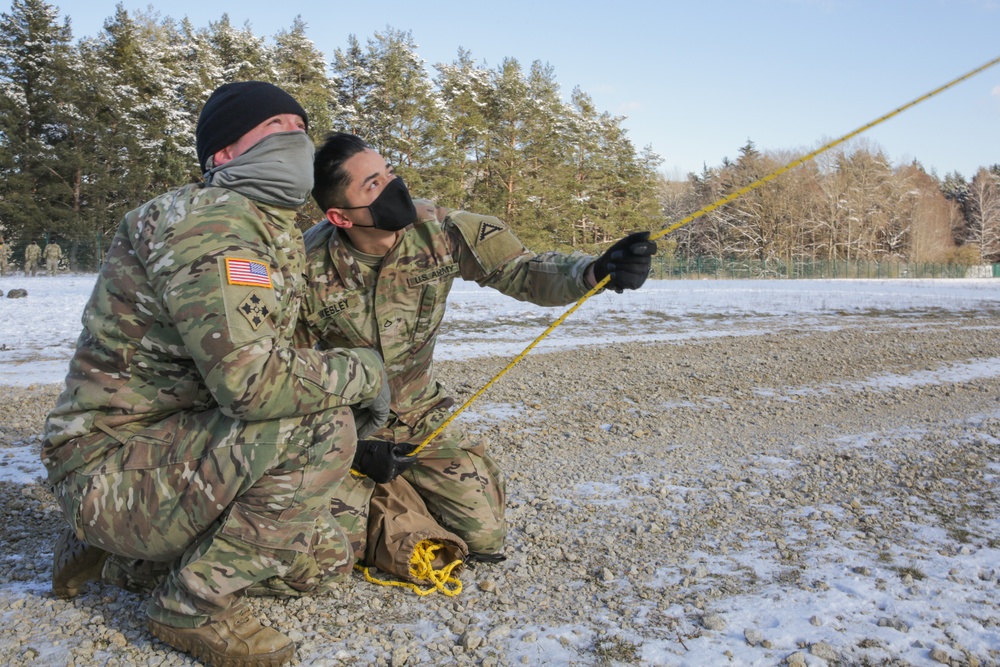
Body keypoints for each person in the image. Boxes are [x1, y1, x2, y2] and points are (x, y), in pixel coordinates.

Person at [42, 83, 394, 667]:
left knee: (324, 560)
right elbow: (254, 385)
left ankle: (124, 555)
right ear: (224, 156)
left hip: (166, 448)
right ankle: (189, 606)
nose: (296, 137)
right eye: (275, 126)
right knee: (320, 428)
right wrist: (364, 373)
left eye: (299, 124)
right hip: (109, 462)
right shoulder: (210, 224)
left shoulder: (264, 225)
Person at [301, 132, 657, 565]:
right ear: (340, 216)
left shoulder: (441, 230)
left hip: (419, 413)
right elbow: (286, 369)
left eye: (389, 173)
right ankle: (378, 495)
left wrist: (595, 270)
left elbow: (522, 271)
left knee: (485, 537)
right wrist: (347, 446)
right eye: (372, 185)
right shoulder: (303, 265)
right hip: (342, 424)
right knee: (334, 555)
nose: (394, 188)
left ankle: (393, 489)